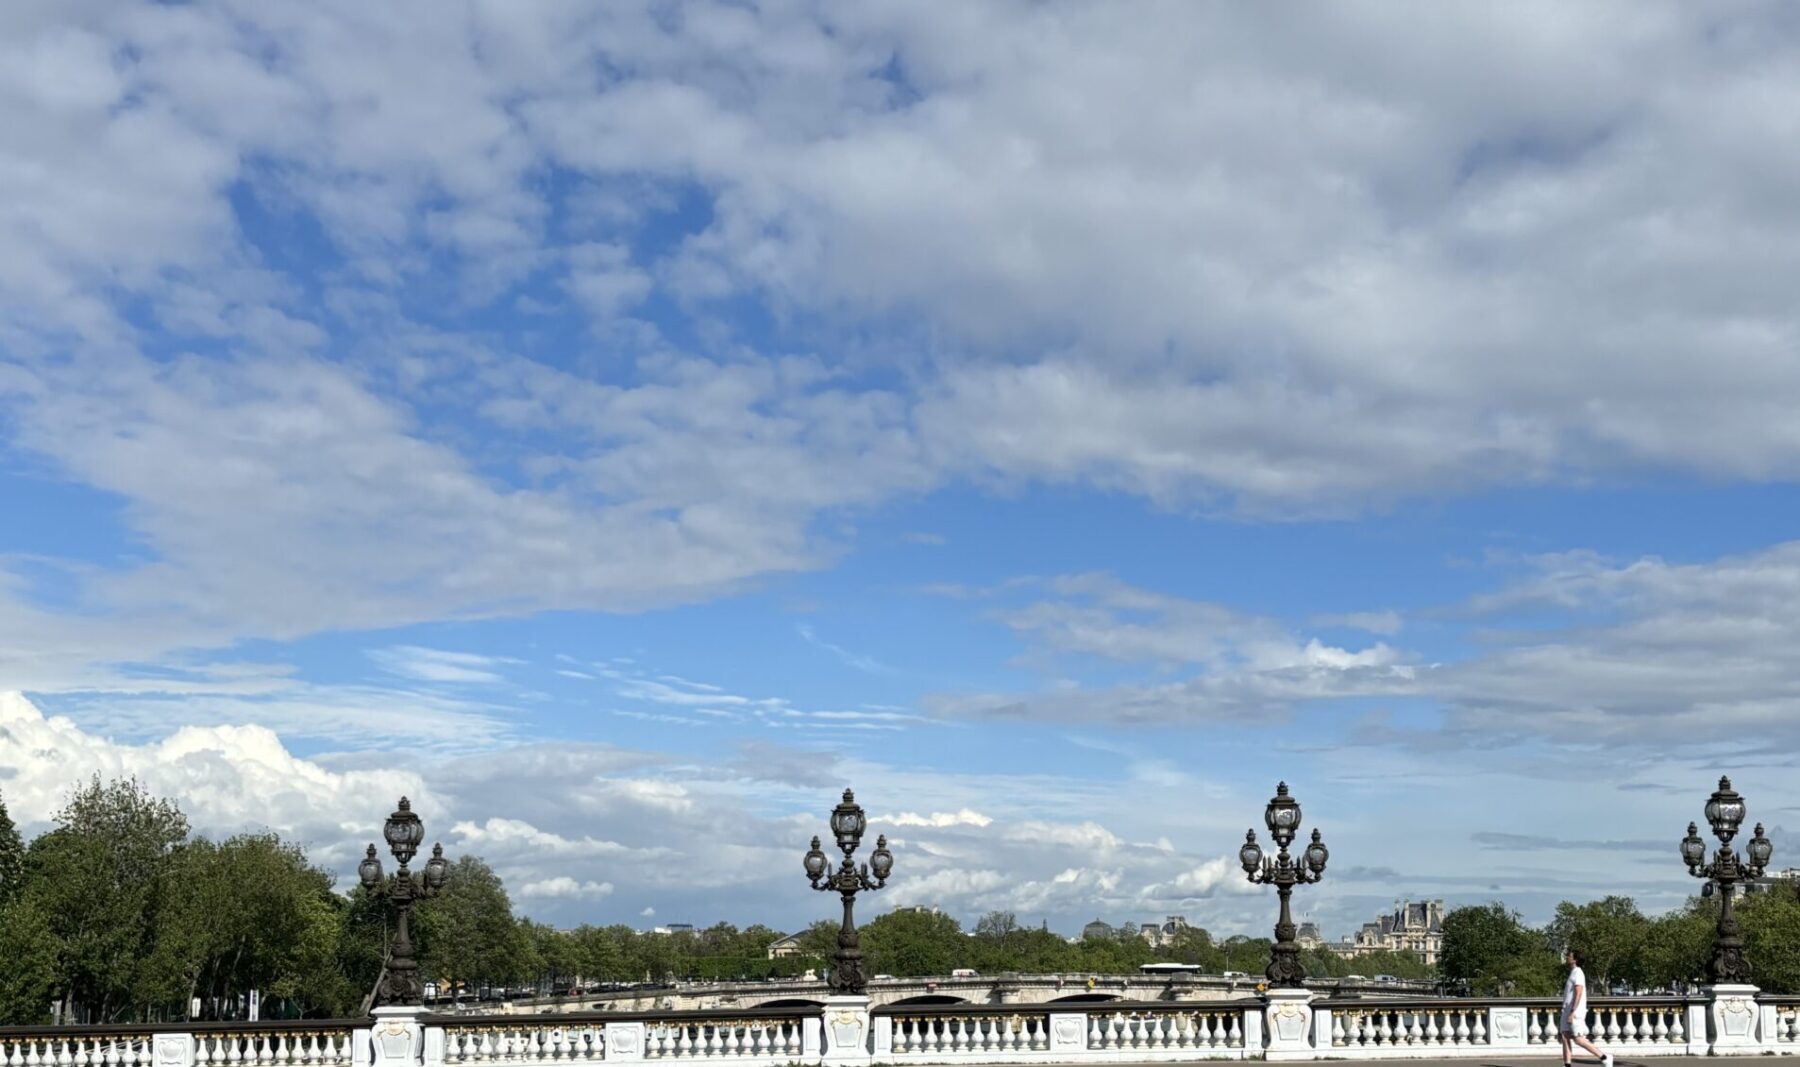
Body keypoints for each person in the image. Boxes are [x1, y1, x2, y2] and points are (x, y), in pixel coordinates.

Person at [1561, 947, 1613, 1067]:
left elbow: (1579, 992)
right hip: (1567, 1010)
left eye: (1569, 955)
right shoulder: (1573, 972)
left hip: (1574, 1011)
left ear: (1575, 959)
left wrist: (1573, 1012)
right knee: (1565, 1036)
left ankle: (1604, 1057)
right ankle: (1567, 1064)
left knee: (1578, 1039)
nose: (1567, 956)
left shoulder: (1578, 972)